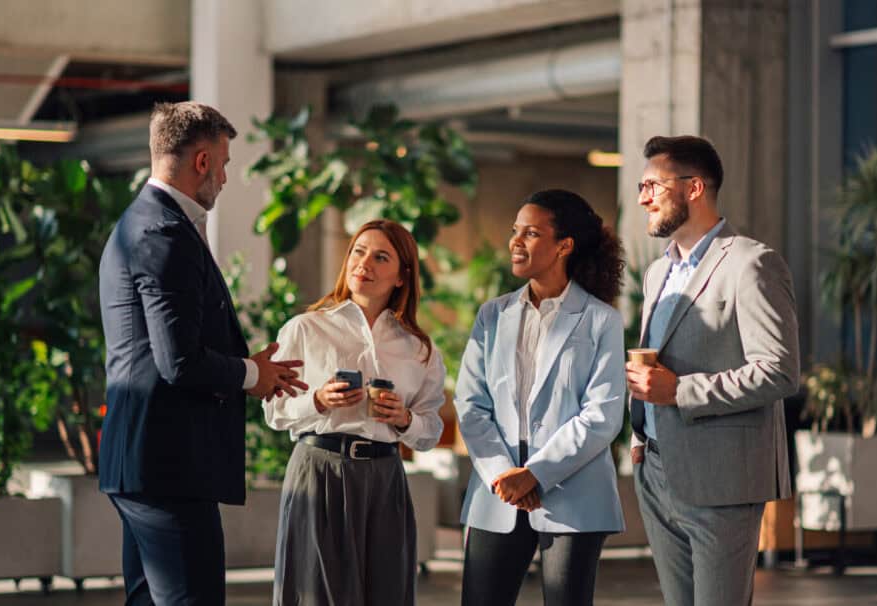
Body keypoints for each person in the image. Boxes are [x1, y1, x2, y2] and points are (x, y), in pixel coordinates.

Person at [98, 101, 308, 605]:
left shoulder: (142, 222)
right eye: (225, 163)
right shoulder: (164, 234)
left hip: (146, 464)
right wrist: (248, 374)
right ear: (202, 162)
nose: (226, 177)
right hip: (168, 467)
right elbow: (179, 361)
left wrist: (250, 368)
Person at [626, 135, 800, 606]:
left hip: (723, 478)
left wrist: (680, 391)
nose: (643, 197)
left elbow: (780, 371)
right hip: (658, 472)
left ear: (694, 188)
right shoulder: (658, 274)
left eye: (652, 186)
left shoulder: (751, 263)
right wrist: (640, 439)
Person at [455, 189, 627, 606]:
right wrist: (503, 475)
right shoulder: (492, 316)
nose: (515, 241)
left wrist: (536, 473)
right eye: (515, 231)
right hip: (499, 492)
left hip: (576, 493)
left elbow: (602, 415)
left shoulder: (601, 320)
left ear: (564, 245)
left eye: (530, 233)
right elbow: (470, 403)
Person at [263, 219, 446, 606]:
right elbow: (274, 411)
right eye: (359, 252)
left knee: (387, 594)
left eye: (381, 257)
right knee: (317, 595)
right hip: (319, 471)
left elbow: (429, 430)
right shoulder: (305, 329)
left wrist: (404, 419)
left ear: (402, 276)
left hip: (385, 480)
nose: (365, 263)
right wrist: (318, 400)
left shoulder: (419, 349)